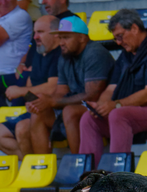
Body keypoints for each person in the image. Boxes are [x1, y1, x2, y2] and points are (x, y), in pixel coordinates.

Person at [79, 9, 147, 164]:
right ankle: (89, 179)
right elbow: (111, 89)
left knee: (119, 115)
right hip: (133, 110)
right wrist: (100, 106)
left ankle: (117, 178)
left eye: (120, 36)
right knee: (88, 118)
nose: (118, 42)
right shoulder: (127, 54)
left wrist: (116, 105)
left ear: (135, 29)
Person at [25, 15, 112, 156]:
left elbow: (93, 95)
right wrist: (42, 101)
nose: (61, 43)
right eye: (60, 37)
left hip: (101, 108)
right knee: (39, 113)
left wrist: (53, 101)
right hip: (79, 106)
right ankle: (42, 169)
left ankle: (78, 164)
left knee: (70, 111)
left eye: (66, 37)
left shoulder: (95, 52)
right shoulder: (65, 56)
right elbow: (61, 92)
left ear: (82, 38)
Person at [0, 15, 61, 156]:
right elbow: (31, 83)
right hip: (36, 108)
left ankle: (38, 169)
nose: (36, 37)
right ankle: (31, 164)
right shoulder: (40, 52)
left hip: (54, 111)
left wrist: (21, 91)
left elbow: (52, 88)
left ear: (56, 33)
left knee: (22, 128)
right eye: (35, 32)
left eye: (40, 32)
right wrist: (28, 96)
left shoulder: (60, 54)